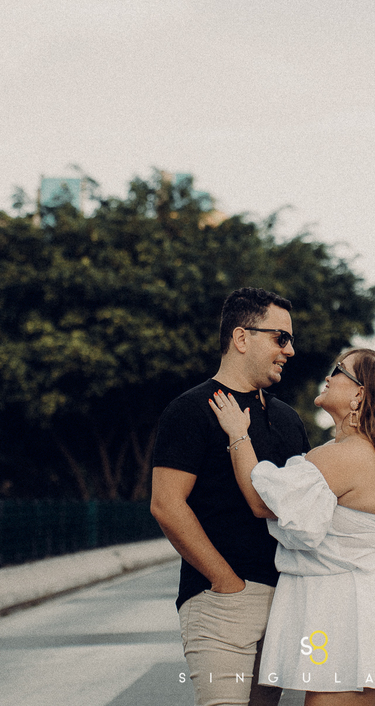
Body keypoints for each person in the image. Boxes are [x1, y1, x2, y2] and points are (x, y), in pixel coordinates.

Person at [210, 349, 375, 706]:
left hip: (348, 624)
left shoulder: (344, 456)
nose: (328, 376)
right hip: (368, 615)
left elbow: (263, 501)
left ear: (359, 395)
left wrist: (237, 434)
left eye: (339, 370)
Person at [151, 288, 310, 706]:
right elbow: (167, 504)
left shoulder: (288, 419)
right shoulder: (191, 409)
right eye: (281, 338)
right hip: (222, 602)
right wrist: (225, 582)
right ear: (242, 338)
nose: (290, 350)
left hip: (285, 599)